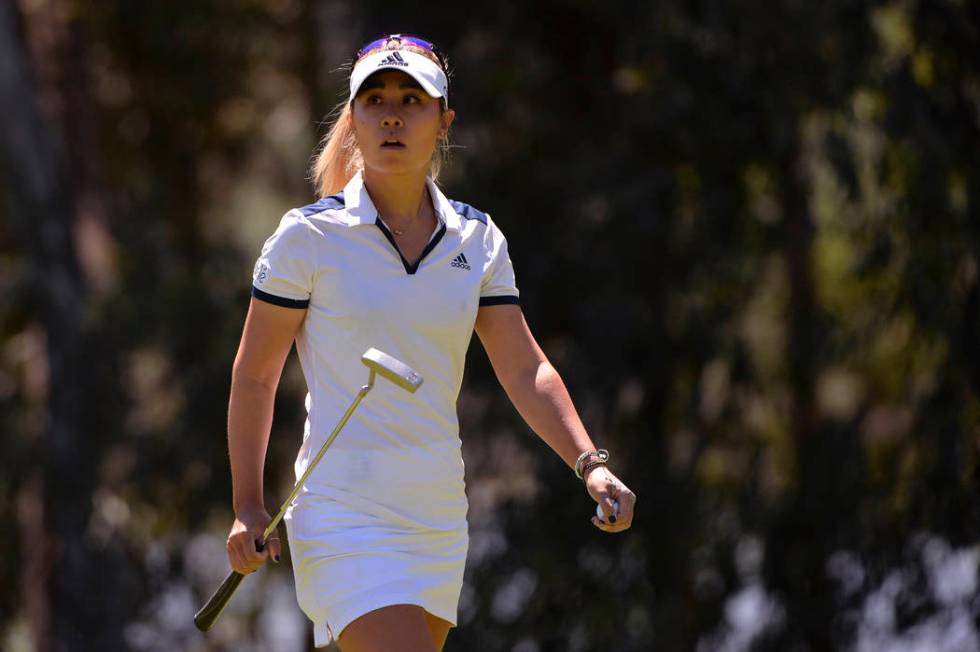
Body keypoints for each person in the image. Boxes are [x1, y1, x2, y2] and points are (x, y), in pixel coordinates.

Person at [224, 34, 637, 652]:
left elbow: (525, 368)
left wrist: (589, 463)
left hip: (436, 520)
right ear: (354, 120)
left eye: (413, 99)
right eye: (376, 99)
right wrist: (248, 504)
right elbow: (255, 376)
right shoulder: (307, 238)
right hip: (341, 516)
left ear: (444, 121)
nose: (393, 113)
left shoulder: (477, 239)